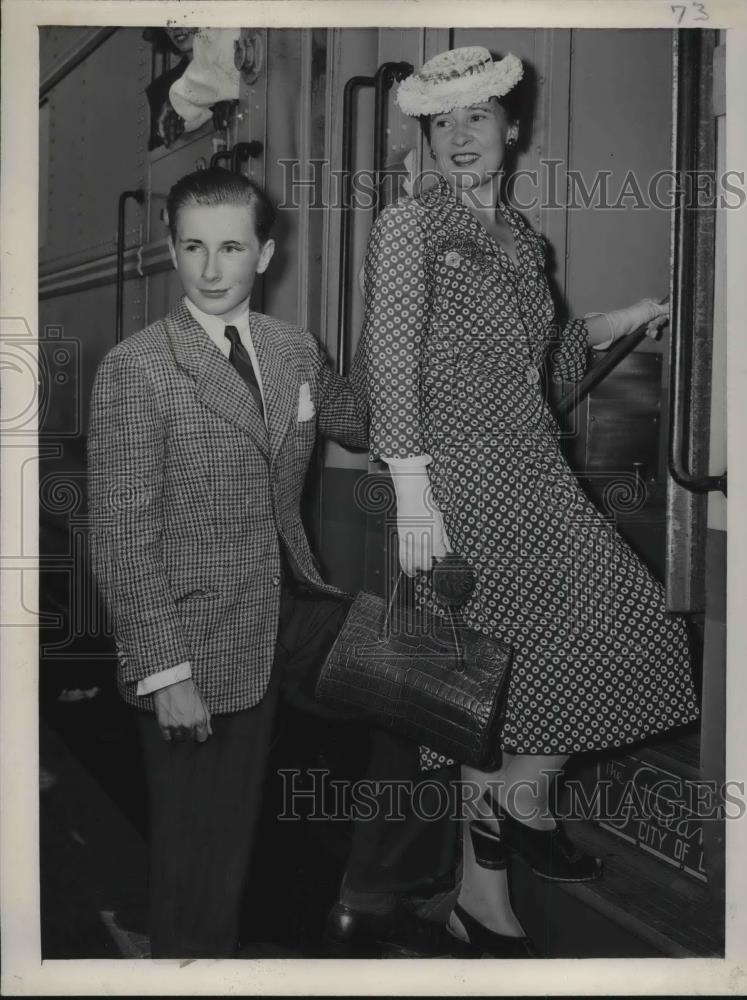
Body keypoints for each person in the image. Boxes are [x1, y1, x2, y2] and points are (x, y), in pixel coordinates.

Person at [341, 46, 700, 957]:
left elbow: (541, 368)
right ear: (425, 137)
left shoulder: (520, 241)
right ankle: (482, 899)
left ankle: (520, 807)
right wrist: (416, 495)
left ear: (512, 129)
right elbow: (389, 362)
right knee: (483, 692)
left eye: (477, 118)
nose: (459, 138)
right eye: (441, 123)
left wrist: (618, 322)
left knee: (614, 630)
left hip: (533, 467)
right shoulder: (406, 229)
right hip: (456, 481)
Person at [87, 167, 450, 958]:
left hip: (293, 606)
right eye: (192, 247)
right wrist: (164, 673)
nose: (210, 269)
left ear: (265, 252)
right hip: (198, 636)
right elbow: (119, 532)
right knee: (203, 861)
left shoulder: (292, 349)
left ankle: (375, 894)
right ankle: (190, 967)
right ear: (173, 252)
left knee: (435, 692)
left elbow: (364, 418)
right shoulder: (138, 367)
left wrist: (443, 351)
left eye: (229, 247)